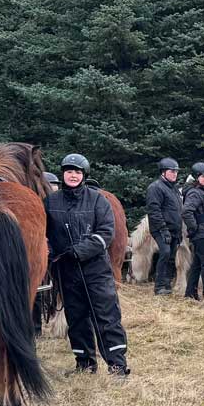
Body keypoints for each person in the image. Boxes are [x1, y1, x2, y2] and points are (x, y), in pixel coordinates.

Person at [45, 154, 130, 377]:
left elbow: (105, 233)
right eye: (70, 171)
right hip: (66, 271)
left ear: (84, 176)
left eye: (78, 172)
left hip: (96, 270)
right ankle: (84, 364)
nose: (74, 175)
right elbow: (45, 234)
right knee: (76, 318)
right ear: (63, 174)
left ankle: (117, 365)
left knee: (107, 315)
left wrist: (78, 251)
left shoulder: (97, 200)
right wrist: (50, 252)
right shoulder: (50, 202)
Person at [145, 157, 182, 295]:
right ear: (163, 172)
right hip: (160, 228)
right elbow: (154, 211)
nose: (175, 174)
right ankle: (159, 286)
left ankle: (167, 285)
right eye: (172, 171)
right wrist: (163, 229)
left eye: (176, 172)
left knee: (172, 255)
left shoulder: (174, 189)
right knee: (165, 253)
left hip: (174, 229)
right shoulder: (155, 188)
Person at [182, 162, 204, 300]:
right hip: (201, 234)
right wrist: (194, 228)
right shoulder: (195, 193)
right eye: (203, 176)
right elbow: (186, 212)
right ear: (197, 177)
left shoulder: (203, 191)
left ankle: (190, 294)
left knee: (197, 264)